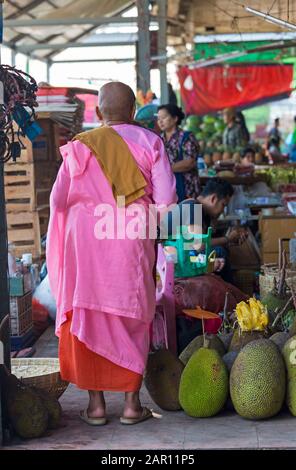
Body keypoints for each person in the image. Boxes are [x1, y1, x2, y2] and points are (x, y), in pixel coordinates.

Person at [46, 82, 177, 426]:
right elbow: (165, 203)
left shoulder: (80, 146)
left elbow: (58, 201)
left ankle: (96, 407)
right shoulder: (151, 142)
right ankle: (132, 406)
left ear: (99, 113)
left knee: (88, 314)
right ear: (133, 112)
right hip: (130, 241)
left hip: (84, 246)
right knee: (133, 315)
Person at [162, 178, 248, 283]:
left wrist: (229, 240)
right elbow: (198, 246)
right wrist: (227, 239)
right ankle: (230, 296)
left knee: (218, 253)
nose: (222, 211)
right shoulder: (193, 207)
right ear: (213, 199)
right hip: (171, 259)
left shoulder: (201, 211)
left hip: (182, 256)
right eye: (223, 205)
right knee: (219, 252)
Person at [157, 104, 200, 201]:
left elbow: (189, 162)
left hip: (187, 188)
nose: (160, 121)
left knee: (190, 215)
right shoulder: (159, 139)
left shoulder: (186, 137)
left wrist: (164, 169)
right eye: (158, 118)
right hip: (167, 189)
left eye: (163, 117)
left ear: (175, 118)